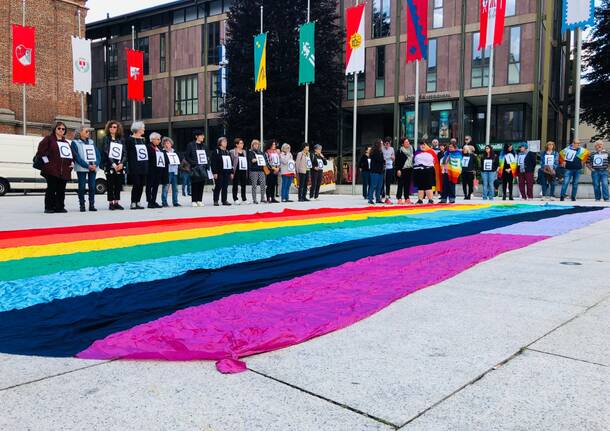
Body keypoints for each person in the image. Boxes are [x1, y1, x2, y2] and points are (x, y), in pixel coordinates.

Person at [35, 122, 73, 213]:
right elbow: (41, 152)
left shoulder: (66, 142)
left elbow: (71, 155)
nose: (61, 130)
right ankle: (49, 207)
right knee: (51, 188)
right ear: (55, 129)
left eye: (63, 129)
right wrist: (47, 164)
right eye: (59, 128)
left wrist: (71, 164)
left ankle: (59, 206)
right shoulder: (48, 139)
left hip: (64, 170)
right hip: (51, 170)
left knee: (61, 189)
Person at [71, 125, 101, 212]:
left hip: (93, 167)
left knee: (92, 186)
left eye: (88, 131)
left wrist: (95, 164)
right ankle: (82, 205)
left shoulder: (91, 142)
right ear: (80, 132)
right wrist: (87, 166)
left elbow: (97, 154)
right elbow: (76, 157)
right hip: (82, 167)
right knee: (82, 187)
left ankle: (92, 204)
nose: (88, 133)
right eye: (86, 131)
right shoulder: (75, 143)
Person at [102, 120, 126, 210]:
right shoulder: (106, 138)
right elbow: (106, 151)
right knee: (110, 184)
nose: (112, 128)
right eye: (111, 127)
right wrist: (113, 164)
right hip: (110, 165)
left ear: (117, 128)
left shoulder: (121, 139)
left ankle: (116, 202)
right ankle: (111, 203)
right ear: (108, 128)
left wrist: (122, 163)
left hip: (119, 165)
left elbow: (124, 152)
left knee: (118, 184)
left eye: (115, 127)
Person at [126, 121, 148, 210]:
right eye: (143, 128)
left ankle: (138, 201)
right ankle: (133, 202)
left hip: (143, 165)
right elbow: (127, 153)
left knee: (142, 184)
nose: (144, 129)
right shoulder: (130, 140)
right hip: (134, 165)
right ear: (138, 129)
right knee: (136, 184)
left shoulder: (143, 140)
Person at [185, 130, 209, 207]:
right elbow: (187, 156)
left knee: (201, 183)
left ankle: (199, 200)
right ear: (196, 136)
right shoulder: (191, 145)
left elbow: (207, 156)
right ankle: (194, 200)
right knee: (195, 184)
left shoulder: (204, 146)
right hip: (194, 168)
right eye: (201, 135)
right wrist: (193, 163)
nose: (203, 137)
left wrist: (207, 165)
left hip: (203, 167)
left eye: (203, 135)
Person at [413, 140, 441, 204]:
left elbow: (435, 161)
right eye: (421, 145)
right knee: (420, 186)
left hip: (428, 170)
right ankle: (420, 200)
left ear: (427, 145)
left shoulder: (431, 152)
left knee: (428, 186)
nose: (422, 146)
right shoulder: (417, 152)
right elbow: (414, 161)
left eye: (424, 145)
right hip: (419, 170)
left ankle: (430, 200)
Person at [211, 137, 233, 206]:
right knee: (218, 186)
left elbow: (230, 162)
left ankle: (224, 200)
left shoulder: (227, 152)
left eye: (226, 142)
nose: (225, 143)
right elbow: (213, 163)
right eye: (224, 142)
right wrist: (214, 172)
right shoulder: (216, 151)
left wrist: (231, 172)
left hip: (226, 172)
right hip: (219, 172)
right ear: (220, 143)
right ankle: (215, 200)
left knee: (225, 187)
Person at [161, 137, 180, 207]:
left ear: (171, 144)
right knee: (165, 187)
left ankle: (175, 202)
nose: (167, 144)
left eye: (168, 143)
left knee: (175, 188)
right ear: (163, 144)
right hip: (167, 171)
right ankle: (164, 202)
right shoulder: (162, 152)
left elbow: (179, 159)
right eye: (165, 143)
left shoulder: (174, 151)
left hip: (175, 171)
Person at [146, 132, 164, 208]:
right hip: (151, 169)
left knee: (156, 186)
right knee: (149, 186)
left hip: (158, 170)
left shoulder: (159, 148)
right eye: (158, 139)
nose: (159, 141)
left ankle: (153, 200)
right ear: (152, 139)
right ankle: (149, 201)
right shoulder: (148, 147)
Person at [248, 139, 267, 204]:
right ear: (252, 145)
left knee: (263, 184)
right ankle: (254, 199)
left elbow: (264, 160)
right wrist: (259, 159)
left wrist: (258, 159)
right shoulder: (250, 152)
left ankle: (262, 198)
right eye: (255, 144)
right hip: (254, 171)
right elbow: (252, 160)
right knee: (254, 185)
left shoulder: (261, 152)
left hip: (261, 170)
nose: (256, 145)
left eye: (257, 144)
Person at [230, 138, 249, 205]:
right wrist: (231, 172)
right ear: (236, 144)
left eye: (242, 143)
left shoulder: (244, 151)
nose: (242, 144)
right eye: (241, 143)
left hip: (243, 170)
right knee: (235, 185)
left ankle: (244, 198)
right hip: (236, 170)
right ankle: (235, 198)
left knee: (243, 184)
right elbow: (231, 162)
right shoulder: (232, 151)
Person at [395, 137, 413, 204]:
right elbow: (397, 162)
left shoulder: (411, 149)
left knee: (407, 184)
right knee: (400, 184)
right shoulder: (400, 151)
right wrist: (398, 170)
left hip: (409, 169)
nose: (408, 143)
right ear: (402, 144)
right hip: (402, 169)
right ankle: (399, 198)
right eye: (406, 142)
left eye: (408, 142)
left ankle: (407, 198)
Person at [368, 139, 385, 205]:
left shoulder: (380, 151)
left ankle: (378, 199)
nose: (382, 145)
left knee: (379, 186)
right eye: (381, 143)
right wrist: (383, 160)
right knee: (373, 185)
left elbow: (381, 160)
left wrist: (383, 160)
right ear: (378, 144)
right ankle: (370, 199)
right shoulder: (374, 151)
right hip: (375, 171)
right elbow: (379, 160)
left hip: (380, 171)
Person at [381, 138, 395, 203]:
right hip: (384, 167)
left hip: (390, 166)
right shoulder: (382, 149)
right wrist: (387, 157)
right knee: (383, 182)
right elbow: (382, 157)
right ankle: (382, 194)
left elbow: (393, 157)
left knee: (388, 182)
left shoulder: (392, 149)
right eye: (386, 143)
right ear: (384, 143)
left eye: (389, 143)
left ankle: (387, 194)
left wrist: (392, 158)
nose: (388, 145)